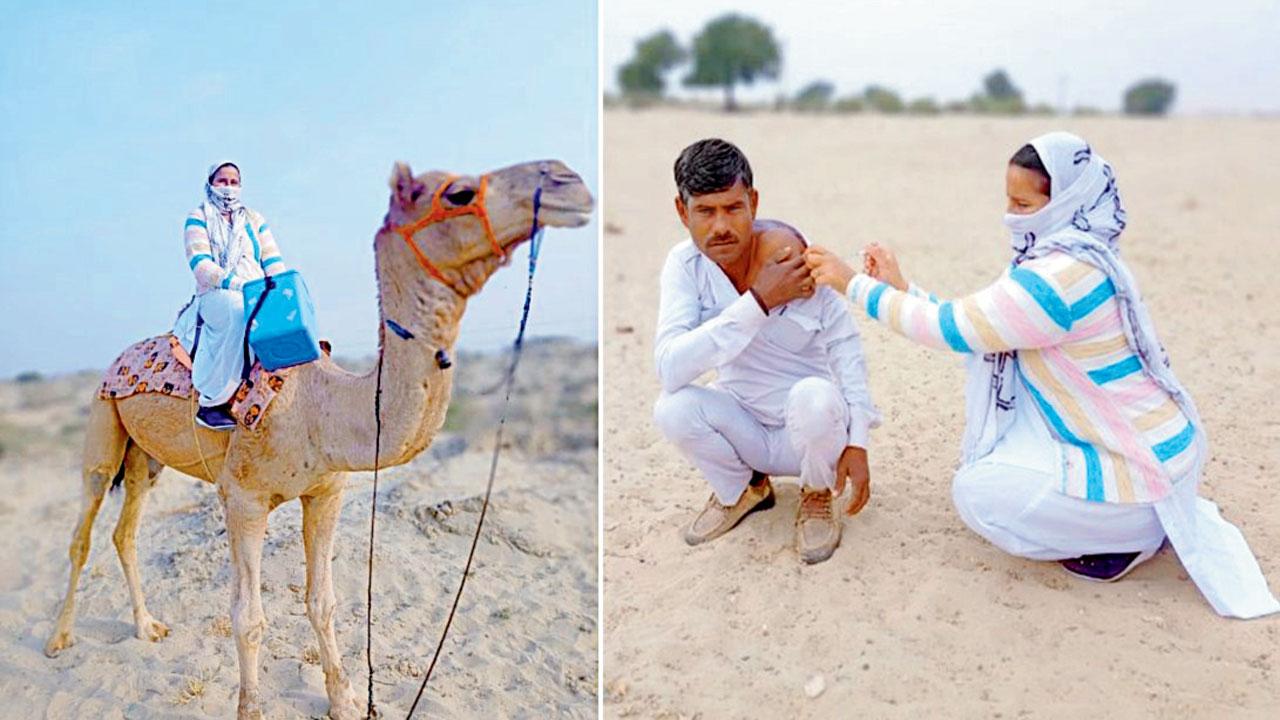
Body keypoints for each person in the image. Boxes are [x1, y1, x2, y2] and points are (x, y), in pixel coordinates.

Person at [805, 131, 1278, 617]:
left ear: (1066, 202)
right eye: (1008, 200)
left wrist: (852, 283)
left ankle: (1137, 534)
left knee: (977, 495)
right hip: (1160, 453)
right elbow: (986, 328)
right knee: (1006, 453)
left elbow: (954, 328)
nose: (1010, 216)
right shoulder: (1083, 256)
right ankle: (1133, 523)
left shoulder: (1057, 280)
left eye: (1024, 204)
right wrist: (901, 288)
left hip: (1145, 476)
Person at [652, 138, 880, 564]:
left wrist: (858, 443)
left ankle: (815, 496)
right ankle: (743, 489)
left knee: (814, 396)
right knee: (672, 407)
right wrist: (758, 302)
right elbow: (669, 368)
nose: (721, 226)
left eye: (732, 208)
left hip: (814, 437)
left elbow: (848, 350)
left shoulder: (793, 257)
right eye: (705, 211)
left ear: (753, 203)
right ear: (683, 213)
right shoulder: (684, 267)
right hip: (745, 430)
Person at [174, 161, 288, 430]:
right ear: (210, 183)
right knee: (240, 312)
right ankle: (212, 403)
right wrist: (236, 284)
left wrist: (281, 287)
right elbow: (201, 265)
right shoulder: (199, 217)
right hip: (217, 294)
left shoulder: (254, 219)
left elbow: (272, 259)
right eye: (222, 181)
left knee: (290, 317)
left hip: (256, 291)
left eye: (234, 182)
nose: (228, 187)